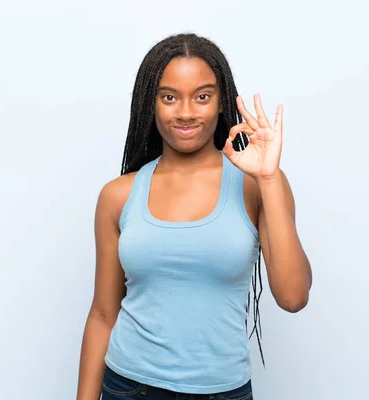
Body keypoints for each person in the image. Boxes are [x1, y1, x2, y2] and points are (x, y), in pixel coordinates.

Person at [75, 33, 312, 400]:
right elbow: (103, 315)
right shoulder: (118, 195)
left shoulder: (257, 185)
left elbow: (293, 297)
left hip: (222, 392)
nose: (185, 112)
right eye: (169, 97)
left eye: (202, 96)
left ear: (221, 104)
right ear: (149, 104)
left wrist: (267, 178)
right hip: (128, 387)